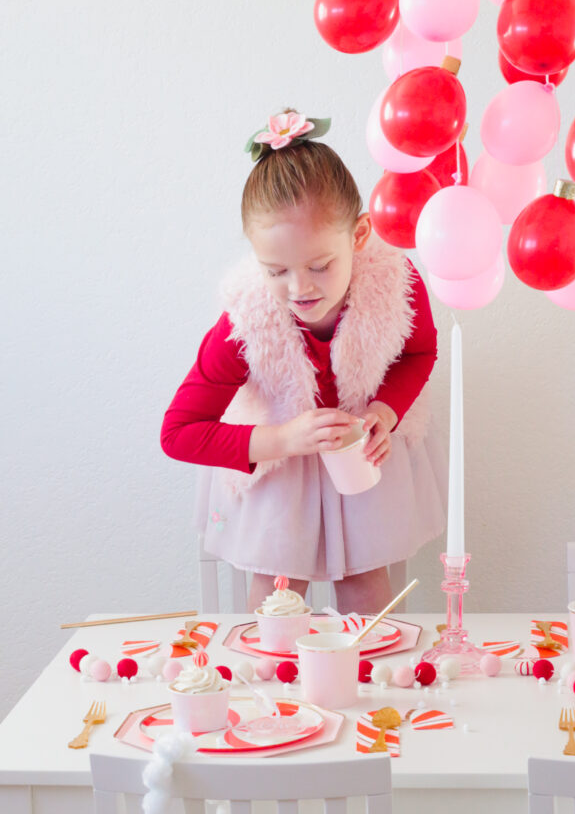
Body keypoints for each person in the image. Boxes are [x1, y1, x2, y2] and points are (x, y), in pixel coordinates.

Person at [161, 109, 446, 613]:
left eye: (319, 265)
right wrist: (283, 440)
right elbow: (179, 431)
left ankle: (372, 684)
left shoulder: (397, 288)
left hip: (358, 458)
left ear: (358, 237)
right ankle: (267, 688)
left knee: (367, 594)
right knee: (276, 597)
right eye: (276, 270)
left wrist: (385, 411)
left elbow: (418, 352)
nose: (299, 288)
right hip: (276, 461)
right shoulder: (244, 325)